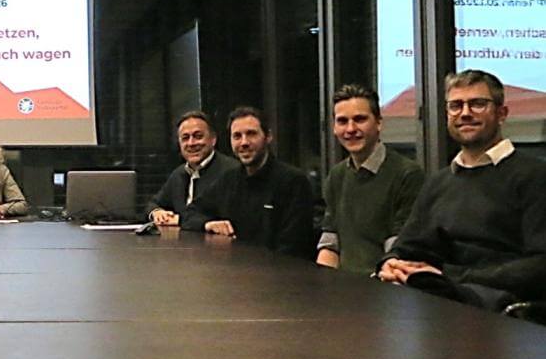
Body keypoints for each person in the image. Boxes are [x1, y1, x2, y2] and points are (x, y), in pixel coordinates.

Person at [378, 70, 546, 310]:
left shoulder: (535, 176)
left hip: (501, 312)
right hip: (438, 301)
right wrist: (391, 263)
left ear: (501, 113)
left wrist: (450, 277)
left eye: (478, 104)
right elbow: (408, 246)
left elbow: (540, 265)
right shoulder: (439, 182)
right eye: (456, 106)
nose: (465, 113)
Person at [316, 85, 423, 275]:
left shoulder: (407, 174)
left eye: (360, 119)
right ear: (333, 127)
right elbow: (330, 243)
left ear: (379, 123)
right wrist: (323, 283)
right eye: (342, 121)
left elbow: (400, 251)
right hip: (342, 286)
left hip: (387, 283)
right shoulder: (336, 176)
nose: (350, 129)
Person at [183, 107, 314, 259]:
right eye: (237, 136)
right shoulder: (228, 180)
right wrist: (208, 224)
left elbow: (293, 248)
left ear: (268, 136)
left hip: (278, 271)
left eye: (251, 134)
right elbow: (189, 213)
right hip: (233, 269)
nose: (244, 142)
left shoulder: (293, 182)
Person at [145, 111, 237, 227]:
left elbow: (229, 219)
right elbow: (154, 203)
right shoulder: (179, 174)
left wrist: (180, 220)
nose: (191, 143)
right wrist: (157, 212)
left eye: (198, 136)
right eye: (185, 138)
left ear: (213, 139)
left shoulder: (231, 172)